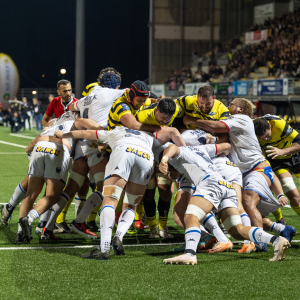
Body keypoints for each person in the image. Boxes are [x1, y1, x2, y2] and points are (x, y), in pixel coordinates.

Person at [54, 124, 185, 260]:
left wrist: (63, 135)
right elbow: (171, 139)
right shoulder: (150, 135)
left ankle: (104, 249)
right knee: (131, 205)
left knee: (109, 200)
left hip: (123, 153)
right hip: (145, 158)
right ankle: (118, 237)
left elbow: (84, 133)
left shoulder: (117, 130)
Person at [183, 98, 294, 252]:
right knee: (240, 210)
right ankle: (281, 229)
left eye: (232, 104)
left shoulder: (242, 118)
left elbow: (217, 126)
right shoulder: (236, 123)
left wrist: (191, 120)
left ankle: (259, 243)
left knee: (248, 201)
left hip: (256, 170)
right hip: (245, 173)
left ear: (240, 109)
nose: (229, 106)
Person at [159, 143, 290, 265]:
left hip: (210, 183)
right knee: (237, 231)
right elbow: (226, 146)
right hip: (225, 185)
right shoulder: (200, 149)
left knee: (191, 216)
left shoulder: (176, 154)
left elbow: (173, 147)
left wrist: (164, 159)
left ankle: (189, 254)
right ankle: (276, 240)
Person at [136, 98, 182, 238]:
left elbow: (183, 148)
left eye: (167, 119)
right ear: (156, 111)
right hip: (146, 159)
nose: (164, 121)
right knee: (148, 193)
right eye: (161, 118)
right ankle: (152, 229)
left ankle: (163, 228)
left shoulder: (175, 114)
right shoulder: (141, 116)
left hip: (162, 157)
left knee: (165, 191)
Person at [253, 115, 300, 222]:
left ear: (270, 126)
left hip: (294, 154)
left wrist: (281, 151)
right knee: (291, 193)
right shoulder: (250, 128)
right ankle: (280, 220)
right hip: (276, 161)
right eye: (261, 138)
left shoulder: (279, 125)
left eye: (267, 135)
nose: (265, 139)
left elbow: (299, 141)